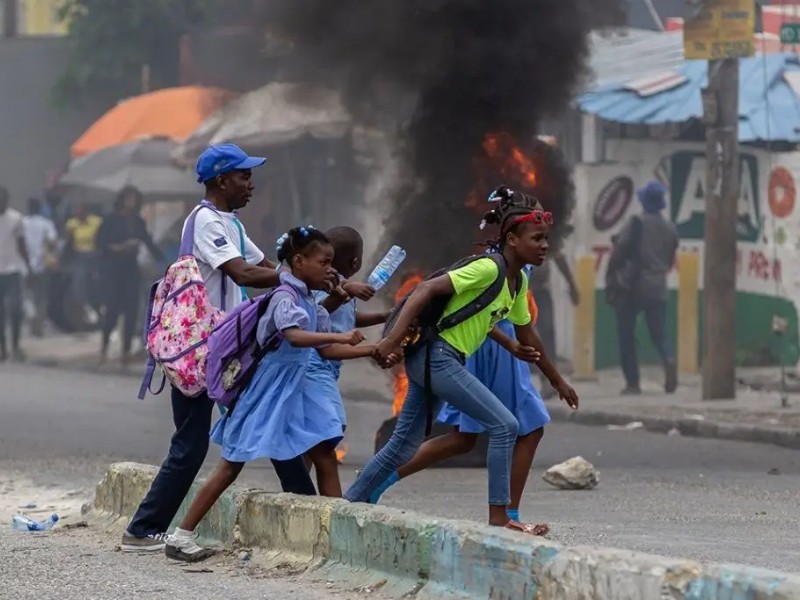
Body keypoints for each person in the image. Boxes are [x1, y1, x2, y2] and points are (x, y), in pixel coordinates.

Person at [346, 187, 579, 533]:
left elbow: (526, 334)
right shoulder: (488, 268)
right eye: (537, 239)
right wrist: (391, 341)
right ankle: (501, 518)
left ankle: (350, 505)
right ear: (512, 239)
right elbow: (424, 290)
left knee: (401, 445)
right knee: (504, 425)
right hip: (438, 357)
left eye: (546, 238)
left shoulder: (515, 282)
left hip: (438, 359)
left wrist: (557, 381)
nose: (545, 245)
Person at [122, 143, 302, 553]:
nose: (251, 184)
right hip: (203, 351)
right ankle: (143, 529)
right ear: (222, 180)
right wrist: (296, 279)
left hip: (225, 349)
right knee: (192, 444)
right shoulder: (206, 221)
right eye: (244, 176)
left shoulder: (229, 223)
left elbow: (265, 267)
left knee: (265, 418)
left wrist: (308, 273)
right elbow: (243, 273)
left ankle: (307, 503)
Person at [165, 226, 379, 562]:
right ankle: (181, 536)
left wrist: (371, 348)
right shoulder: (285, 296)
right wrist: (340, 337)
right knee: (231, 465)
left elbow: (324, 351)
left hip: (294, 390)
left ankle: (337, 541)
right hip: (266, 391)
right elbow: (294, 336)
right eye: (323, 263)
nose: (330, 270)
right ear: (299, 262)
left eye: (331, 263)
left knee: (325, 452)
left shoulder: (311, 302)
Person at [308, 226, 391, 433]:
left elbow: (347, 318)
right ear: (355, 262)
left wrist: (383, 316)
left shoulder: (340, 284)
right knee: (332, 426)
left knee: (319, 428)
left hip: (327, 367)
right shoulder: (326, 283)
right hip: (315, 365)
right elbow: (320, 313)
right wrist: (344, 291)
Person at [607, 180, 679, 395]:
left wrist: (612, 276)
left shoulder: (635, 223)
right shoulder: (670, 228)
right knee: (659, 333)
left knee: (627, 334)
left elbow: (619, 251)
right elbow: (670, 259)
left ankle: (633, 383)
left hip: (633, 285)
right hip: (658, 285)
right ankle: (669, 359)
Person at [96, 187, 164, 364]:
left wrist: (164, 260)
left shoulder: (137, 222)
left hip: (131, 270)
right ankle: (104, 347)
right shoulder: (111, 219)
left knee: (131, 310)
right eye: (128, 199)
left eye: (134, 199)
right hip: (113, 269)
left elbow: (148, 242)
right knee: (112, 309)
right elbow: (101, 243)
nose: (131, 203)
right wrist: (119, 247)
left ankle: (125, 350)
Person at [528, 244, 580, 397]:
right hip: (519, 291)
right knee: (521, 336)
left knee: (547, 333)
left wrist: (571, 284)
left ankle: (549, 381)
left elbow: (558, 256)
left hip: (540, 291)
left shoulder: (544, 237)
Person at [0, 187, 32, 361]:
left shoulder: (16, 218)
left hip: (12, 269)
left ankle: (15, 345)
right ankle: (2, 348)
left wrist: (29, 267)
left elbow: (22, 244)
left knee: (15, 308)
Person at [23, 198, 58, 337]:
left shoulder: (22, 223)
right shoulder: (46, 223)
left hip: (24, 265)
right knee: (41, 297)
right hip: (42, 265)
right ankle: (39, 325)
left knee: (27, 295)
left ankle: (31, 318)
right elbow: (53, 242)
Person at [64, 202, 102, 320]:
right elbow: (68, 242)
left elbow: (101, 238)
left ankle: (98, 307)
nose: (78, 214)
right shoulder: (71, 224)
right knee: (79, 282)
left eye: (81, 211)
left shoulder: (96, 222)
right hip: (79, 256)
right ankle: (80, 313)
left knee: (96, 282)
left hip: (94, 255)